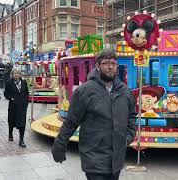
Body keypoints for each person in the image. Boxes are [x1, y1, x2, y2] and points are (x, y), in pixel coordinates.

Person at [51, 49, 137, 180]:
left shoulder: (124, 91)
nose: (110, 67)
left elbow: (131, 116)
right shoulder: (85, 91)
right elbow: (71, 121)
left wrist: (127, 138)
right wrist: (60, 144)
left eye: (113, 63)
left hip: (117, 158)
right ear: (97, 66)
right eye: (106, 63)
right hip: (94, 157)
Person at [4, 69, 29, 148]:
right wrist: (11, 98)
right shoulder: (8, 82)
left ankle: (21, 140)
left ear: (20, 74)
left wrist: (26, 102)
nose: (16, 74)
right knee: (11, 120)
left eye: (18, 73)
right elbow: (6, 93)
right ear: (12, 74)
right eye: (15, 73)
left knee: (22, 122)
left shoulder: (24, 82)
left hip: (22, 106)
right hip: (13, 106)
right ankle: (10, 134)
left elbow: (26, 93)